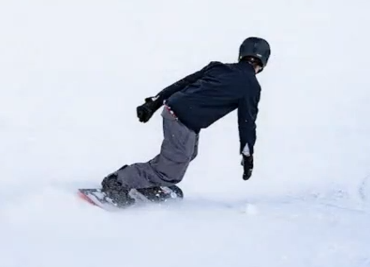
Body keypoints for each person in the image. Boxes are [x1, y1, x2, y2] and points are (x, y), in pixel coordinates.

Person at [99, 37, 270, 207]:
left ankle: (149, 182)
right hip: (181, 119)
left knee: (186, 155)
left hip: (177, 112)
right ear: (263, 62)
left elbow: (183, 83)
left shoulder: (218, 68)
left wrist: (155, 102)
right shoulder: (252, 86)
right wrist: (247, 154)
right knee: (171, 171)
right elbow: (247, 122)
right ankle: (117, 183)